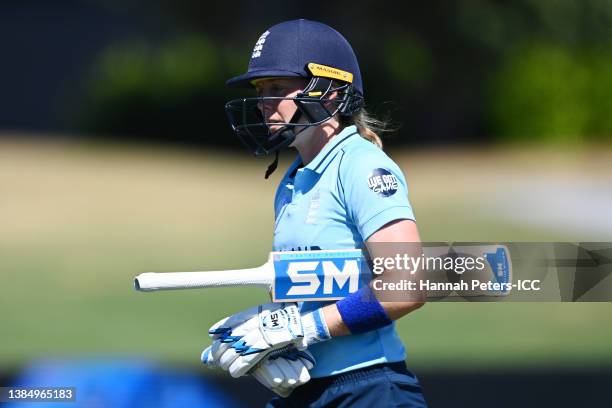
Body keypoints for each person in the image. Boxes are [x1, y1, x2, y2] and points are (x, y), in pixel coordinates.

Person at [202, 19, 428, 407]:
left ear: (328, 90)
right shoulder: (292, 180)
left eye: (276, 88)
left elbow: (409, 281)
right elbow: (316, 285)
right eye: (260, 90)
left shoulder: (361, 165)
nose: (262, 101)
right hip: (308, 391)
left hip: (369, 389)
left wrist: (305, 328)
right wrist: (270, 324)